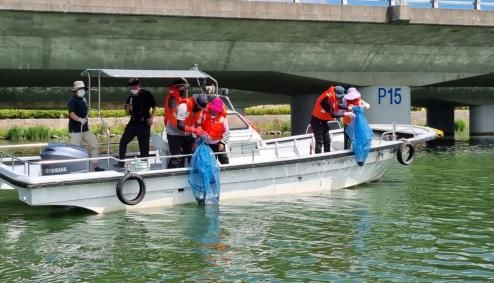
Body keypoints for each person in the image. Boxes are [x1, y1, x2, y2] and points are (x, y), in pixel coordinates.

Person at [115, 78, 157, 168]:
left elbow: (155, 107)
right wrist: (127, 108)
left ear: (138, 85)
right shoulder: (130, 97)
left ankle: (144, 164)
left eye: (134, 86)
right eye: (131, 87)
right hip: (133, 123)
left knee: (144, 146)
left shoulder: (147, 94)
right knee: (123, 141)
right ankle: (121, 162)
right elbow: (126, 112)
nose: (133, 89)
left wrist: (152, 118)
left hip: (144, 123)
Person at [67, 81, 104, 171]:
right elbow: (72, 114)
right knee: (75, 150)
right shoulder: (71, 101)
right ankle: (76, 169)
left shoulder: (84, 99)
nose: (82, 90)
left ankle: (95, 166)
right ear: (76, 90)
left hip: (85, 129)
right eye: (80, 89)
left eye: (83, 89)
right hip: (75, 130)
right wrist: (80, 119)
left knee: (95, 145)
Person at [166, 93, 208, 168]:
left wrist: (200, 130)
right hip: (174, 133)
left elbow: (197, 123)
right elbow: (180, 125)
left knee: (191, 154)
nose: (200, 109)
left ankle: (189, 172)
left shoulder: (199, 110)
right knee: (177, 157)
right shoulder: (183, 107)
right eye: (199, 107)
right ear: (196, 103)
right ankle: (172, 174)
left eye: (202, 108)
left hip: (187, 134)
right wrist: (194, 130)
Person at [310, 85, 354, 154]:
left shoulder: (333, 97)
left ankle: (328, 157)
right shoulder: (326, 99)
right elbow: (332, 114)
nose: (341, 98)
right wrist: (347, 114)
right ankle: (318, 161)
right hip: (317, 121)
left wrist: (348, 107)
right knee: (319, 142)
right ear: (337, 95)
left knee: (327, 141)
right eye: (341, 96)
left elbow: (337, 105)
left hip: (323, 121)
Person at [197, 97, 230, 164]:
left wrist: (222, 143)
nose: (215, 111)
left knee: (225, 161)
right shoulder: (203, 114)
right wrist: (199, 138)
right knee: (210, 163)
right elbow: (198, 126)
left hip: (218, 143)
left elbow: (226, 132)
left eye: (217, 109)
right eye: (214, 109)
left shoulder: (223, 118)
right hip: (206, 144)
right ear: (211, 107)